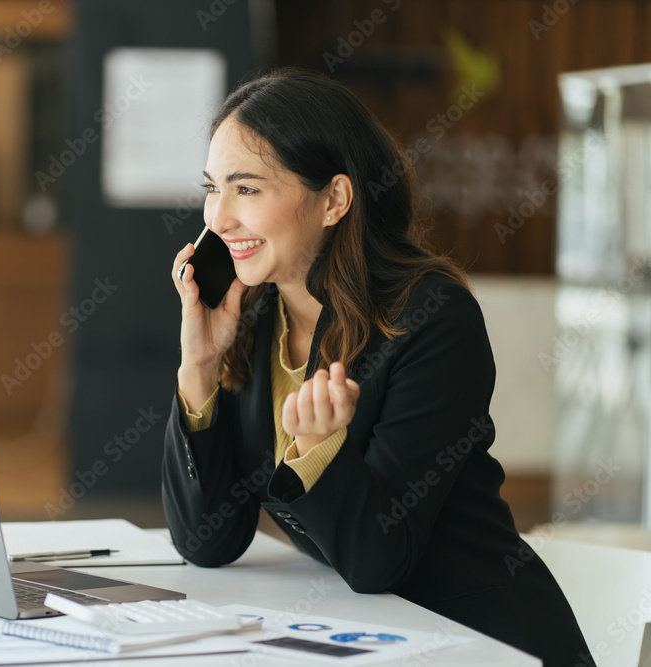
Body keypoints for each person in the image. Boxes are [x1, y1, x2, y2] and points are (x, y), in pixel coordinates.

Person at [162, 67, 592, 666]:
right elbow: (208, 540)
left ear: (334, 199)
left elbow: (378, 560)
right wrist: (199, 368)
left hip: (480, 641)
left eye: (248, 190)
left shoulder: (433, 318)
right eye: (213, 188)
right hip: (370, 636)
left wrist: (320, 451)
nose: (218, 218)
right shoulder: (252, 318)